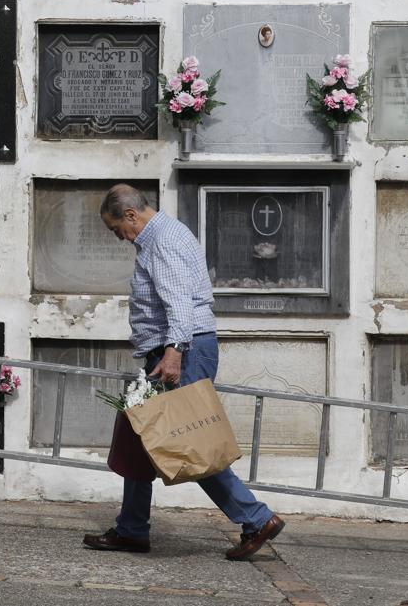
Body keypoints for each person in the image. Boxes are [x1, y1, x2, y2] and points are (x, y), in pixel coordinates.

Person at [82, 184, 284, 561]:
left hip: (179, 351)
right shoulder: (169, 232)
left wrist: (174, 353)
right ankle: (132, 529)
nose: (119, 238)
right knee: (141, 436)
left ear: (130, 215)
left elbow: (178, 302)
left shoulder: (160, 242)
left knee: (190, 441)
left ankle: (256, 518)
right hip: (175, 348)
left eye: (116, 229)